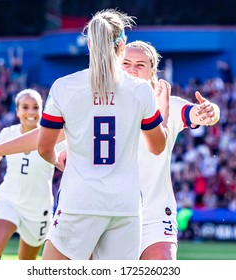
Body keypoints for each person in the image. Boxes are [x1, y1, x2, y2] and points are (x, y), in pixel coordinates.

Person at [36, 9, 168, 260]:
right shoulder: (140, 90)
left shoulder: (64, 86)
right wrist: (159, 109)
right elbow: (157, 146)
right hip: (125, 205)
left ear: (89, 43)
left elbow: (44, 148)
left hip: (79, 201)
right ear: (123, 44)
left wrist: (57, 159)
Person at [122, 40, 220, 260]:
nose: (131, 69)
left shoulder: (169, 105)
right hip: (112, 215)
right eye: (126, 63)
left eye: (140, 65)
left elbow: (202, 114)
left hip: (156, 216)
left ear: (152, 71)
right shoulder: (101, 107)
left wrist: (210, 111)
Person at [0, 88, 62, 260]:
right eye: (25, 107)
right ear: (17, 111)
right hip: (9, 199)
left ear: (43, 110)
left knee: (26, 261)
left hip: (39, 208)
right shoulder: (8, 134)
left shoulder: (53, 137)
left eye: (35, 107)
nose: (31, 112)